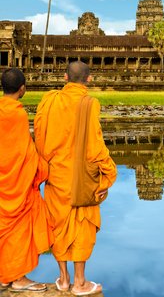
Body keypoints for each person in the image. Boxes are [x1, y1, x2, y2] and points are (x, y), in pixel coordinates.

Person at [34, 61, 117, 296]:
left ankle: (63, 278)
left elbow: (39, 136)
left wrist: (46, 164)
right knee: (81, 224)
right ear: (89, 80)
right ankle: (80, 282)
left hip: (56, 174)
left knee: (58, 224)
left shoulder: (49, 101)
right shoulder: (89, 103)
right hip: (81, 178)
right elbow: (95, 145)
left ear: (64, 77)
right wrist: (109, 174)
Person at [0, 68, 51, 292]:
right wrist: (43, 167)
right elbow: (24, 152)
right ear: (22, 89)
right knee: (20, 228)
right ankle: (18, 277)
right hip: (17, 185)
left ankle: (4, 275)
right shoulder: (17, 114)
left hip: (2, 183)